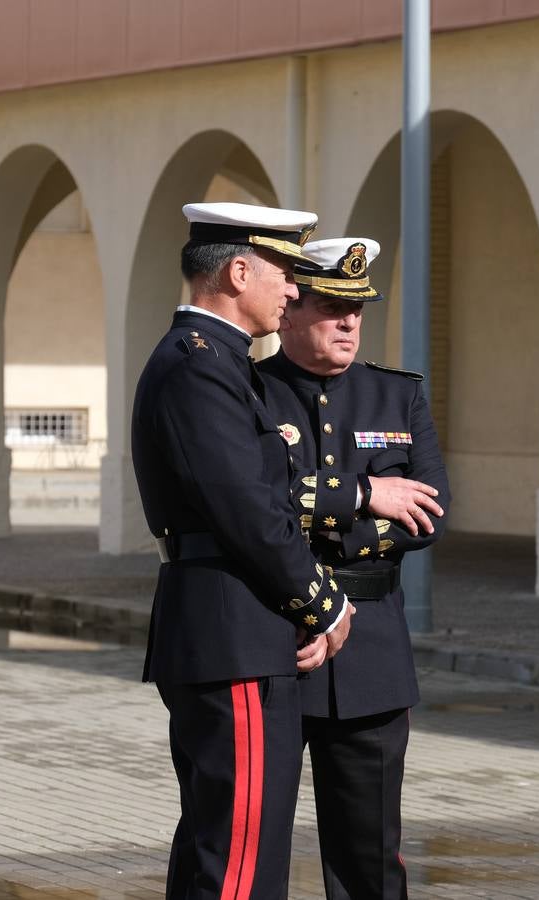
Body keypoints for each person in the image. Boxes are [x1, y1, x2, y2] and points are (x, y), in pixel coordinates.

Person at [131, 202, 356, 899]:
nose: (293, 290)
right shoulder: (201, 367)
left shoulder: (215, 362)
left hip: (230, 626)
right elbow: (251, 513)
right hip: (235, 634)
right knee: (238, 863)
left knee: (216, 845)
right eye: (285, 273)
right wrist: (324, 604)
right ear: (237, 271)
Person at [259, 237, 449, 900]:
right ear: (288, 310)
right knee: (259, 846)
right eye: (332, 307)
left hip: (371, 646)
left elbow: (430, 512)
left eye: (357, 310)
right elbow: (246, 504)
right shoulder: (251, 395)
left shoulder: (397, 396)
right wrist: (371, 502)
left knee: (370, 855)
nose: (348, 322)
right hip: (278, 640)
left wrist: (320, 530)